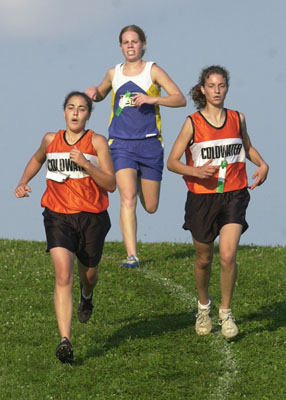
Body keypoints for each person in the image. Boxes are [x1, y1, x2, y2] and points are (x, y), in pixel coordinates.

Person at [167, 66, 269, 338]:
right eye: (211, 86)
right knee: (203, 259)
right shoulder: (192, 122)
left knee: (227, 255)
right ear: (203, 89)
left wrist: (262, 164)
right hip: (202, 198)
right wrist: (196, 171)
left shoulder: (237, 118)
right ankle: (203, 307)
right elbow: (172, 162)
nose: (217, 90)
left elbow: (246, 148)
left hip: (234, 195)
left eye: (221, 85)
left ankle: (225, 313)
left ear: (227, 88)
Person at [14, 91, 116, 363]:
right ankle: (65, 341)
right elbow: (37, 159)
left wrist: (85, 163)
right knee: (63, 275)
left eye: (81, 109)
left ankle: (87, 295)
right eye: (71, 108)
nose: (75, 113)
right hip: (57, 215)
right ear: (64, 112)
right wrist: (23, 181)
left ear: (88, 115)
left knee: (89, 274)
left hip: (92, 217)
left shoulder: (97, 142)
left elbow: (111, 184)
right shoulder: (51, 139)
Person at [85, 24, 186, 268]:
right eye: (126, 42)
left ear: (143, 44)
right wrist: (94, 93)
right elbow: (100, 92)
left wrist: (154, 99)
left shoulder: (153, 70)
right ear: (120, 47)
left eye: (135, 41)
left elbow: (180, 99)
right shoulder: (114, 73)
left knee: (150, 206)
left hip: (150, 144)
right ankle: (132, 256)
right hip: (120, 145)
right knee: (126, 197)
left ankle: (140, 178)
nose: (130, 46)